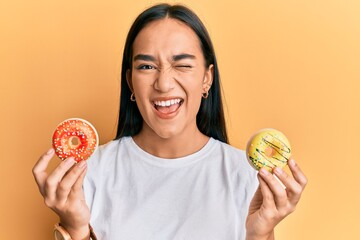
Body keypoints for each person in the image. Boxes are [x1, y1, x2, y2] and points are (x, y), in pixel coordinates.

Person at [32, 3, 307, 240]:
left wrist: (260, 234)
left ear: (206, 79)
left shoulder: (247, 176)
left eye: (183, 64)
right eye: (146, 66)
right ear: (130, 81)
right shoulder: (89, 174)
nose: (163, 83)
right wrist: (74, 227)